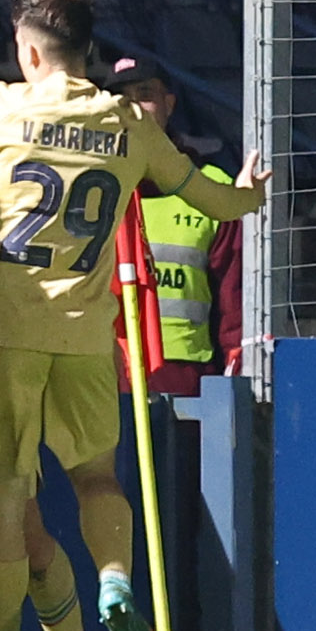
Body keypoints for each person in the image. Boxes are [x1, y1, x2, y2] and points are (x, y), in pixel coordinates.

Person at [0, 0, 268, 631]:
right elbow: (211, 198)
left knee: (0, 499)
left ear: (28, 50)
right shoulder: (124, 122)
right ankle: (116, 581)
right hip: (89, 338)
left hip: (3, 332)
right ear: (86, 53)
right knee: (96, 479)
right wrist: (248, 191)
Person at [105, 55, 243, 394]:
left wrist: (236, 371)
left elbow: (234, 304)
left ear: (170, 103)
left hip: (187, 381)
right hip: (104, 376)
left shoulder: (212, 188)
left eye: (145, 94)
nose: (134, 108)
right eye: (122, 100)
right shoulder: (91, 188)